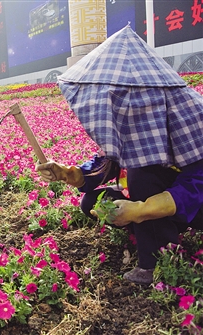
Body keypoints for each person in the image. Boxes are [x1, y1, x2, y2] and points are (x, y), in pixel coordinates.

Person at [36, 25, 203, 285]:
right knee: (93, 201)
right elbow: (109, 161)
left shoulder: (191, 115)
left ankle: (157, 261)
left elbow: (196, 185)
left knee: (141, 174)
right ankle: (156, 228)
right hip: (161, 199)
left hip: (193, 203)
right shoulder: (134, 115)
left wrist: (141, 210)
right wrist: (69, 173)